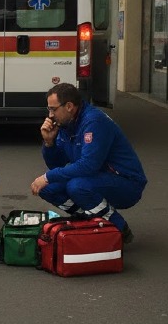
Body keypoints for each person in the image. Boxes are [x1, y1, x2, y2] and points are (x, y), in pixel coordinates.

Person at [29, 82, 147, 242]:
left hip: (127, 183)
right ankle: (89, 221)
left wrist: (47, 176)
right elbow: (57, 165)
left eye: (53, 109)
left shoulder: (94, 122)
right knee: (48, 189)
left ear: (69, 106)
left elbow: (88, 165)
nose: (50, 115)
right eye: (49, 109)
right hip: (98, 177)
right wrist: (49, 143)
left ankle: (119, 229)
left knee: (76, 186)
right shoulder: (65, 125)